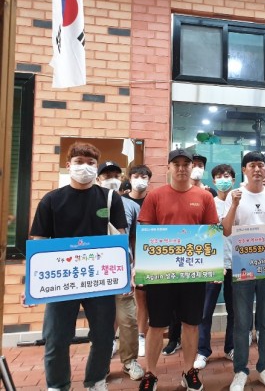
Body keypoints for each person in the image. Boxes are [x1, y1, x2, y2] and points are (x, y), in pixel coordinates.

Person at [28, 142, 128, 391]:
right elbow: (38, 242)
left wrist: (126, 276)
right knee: (56, 337)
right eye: (79, 162)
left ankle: (96, 380)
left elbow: (120, 239)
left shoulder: (110, 198)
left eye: (91, 163)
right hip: (63, 280)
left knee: (104, 336)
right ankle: (58, 385)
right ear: (68, 165)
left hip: (100, 280)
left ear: (96, 167)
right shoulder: (51, 200)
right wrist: (32, 283)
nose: (85, 167)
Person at [137, 148, 219, 391]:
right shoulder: (155, 196)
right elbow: (145, 235)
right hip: (161, 274)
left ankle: (189, 371)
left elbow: (211, 234)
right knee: (156, 325)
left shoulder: (204, 197)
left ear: (192, 167)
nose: (182, 168)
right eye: (177, 164)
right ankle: (151, 374)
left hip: (193, 274)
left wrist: (213, 268)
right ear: (169, 167)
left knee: (191, 324)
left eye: (186, 163)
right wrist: (140, 269)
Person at [222, 151, 265, 391]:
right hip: (243, 267)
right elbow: (226, 230)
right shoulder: (234, 195)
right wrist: (234, 205)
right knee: (242, 322)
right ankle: (240, 371)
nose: (257, 169)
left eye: (261, 165)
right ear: (244, 170)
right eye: (252, 165)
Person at [96, 161, 144, 381]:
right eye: (107, 176)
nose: (112, 179)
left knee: (128, 320)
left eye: (116, 175)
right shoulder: (90, 201)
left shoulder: (131, 206)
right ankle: (100, 364)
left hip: (122, 270)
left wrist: (135, 267)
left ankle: (129, 361)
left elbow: (135, 239)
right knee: (101, 322)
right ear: (98, 179)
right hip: (96, 272)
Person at [194, 164, 236, 369]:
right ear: (213, 181)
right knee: (205, 310)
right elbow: (203, 234)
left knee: (234, 310)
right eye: (219, 176)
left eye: (227, 175)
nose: (223, 179)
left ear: (233, 180)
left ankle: (231, 347)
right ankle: (202, 351)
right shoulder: (207, 202)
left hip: (237, 262)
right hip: (213, 264)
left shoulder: (241, 202)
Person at [126, 164, 153, 358]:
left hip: (147, 257)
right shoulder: (120, 201)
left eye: (143, 177)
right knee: (120, 300)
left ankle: (141, 336)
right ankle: (114, 340)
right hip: (123, 258)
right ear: (129, 178)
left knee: (142, 299)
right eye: (135, 176)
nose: (140, 180)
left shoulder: (153, 200)